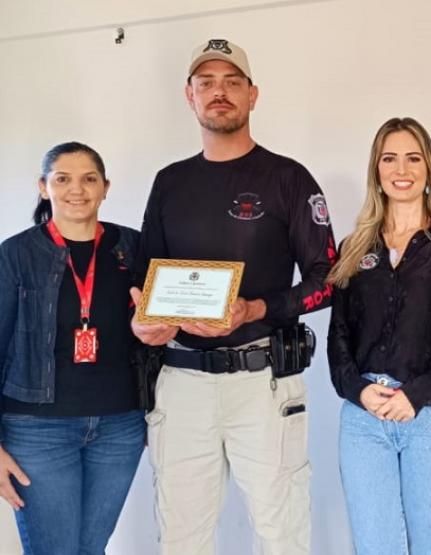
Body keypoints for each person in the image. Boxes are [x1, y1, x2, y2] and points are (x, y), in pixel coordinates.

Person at [131, 39, 336, 554]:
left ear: (253, 94)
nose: (219, 92)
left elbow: (329, 279)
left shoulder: (288, 178)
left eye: (231, 82)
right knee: (181, 538)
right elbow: (145, 281)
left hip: (262, 384)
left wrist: (256, 309)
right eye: (206, 83)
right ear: (190, 96)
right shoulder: (169, 183)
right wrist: (144, 323)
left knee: (281, 533)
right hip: (180, 384)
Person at [327, 117, 431, 555]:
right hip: (364, 421)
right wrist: (358, 391)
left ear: (429, 168)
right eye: (390, 158)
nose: (402, 169)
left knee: (430, 548)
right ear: (376, 170)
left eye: (413, 158)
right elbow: (339, 335)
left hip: (430, 417)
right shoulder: (355, 247)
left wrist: (416, 394)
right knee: (377, 548)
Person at [0, 142, 145, 555]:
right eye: (62, 178)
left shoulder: (132, 249)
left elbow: (153, 334)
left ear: (106, 188)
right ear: (43, 187)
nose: (76, 189)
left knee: (91, 550)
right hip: (37, 430)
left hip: (120, 427)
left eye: (89, 179)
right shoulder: (16, 254)